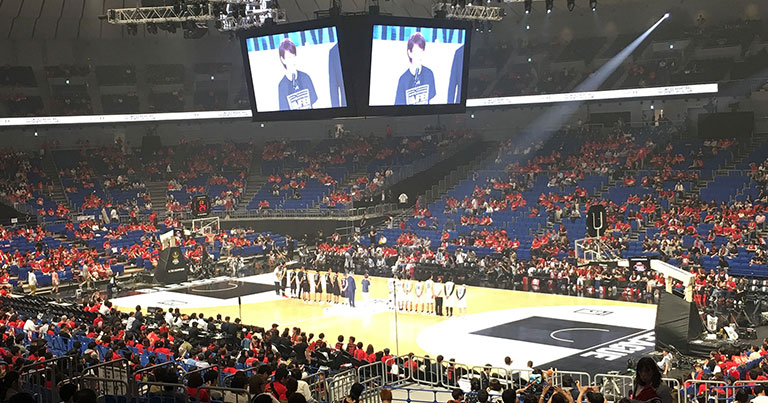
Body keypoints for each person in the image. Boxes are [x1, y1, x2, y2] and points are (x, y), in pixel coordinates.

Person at [394, 32, 436, 105]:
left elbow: (432, 102)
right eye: (416, 52)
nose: (419, 55)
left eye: (421, 51)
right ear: (410, 53)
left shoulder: (429, 74)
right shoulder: (403, 79)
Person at [277, 38, 318, 111]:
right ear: (283, 60)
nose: (292, 60)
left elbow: (314, 103)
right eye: (289, 57)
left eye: (294, 56)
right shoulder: (282, 85)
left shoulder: (305, 77)